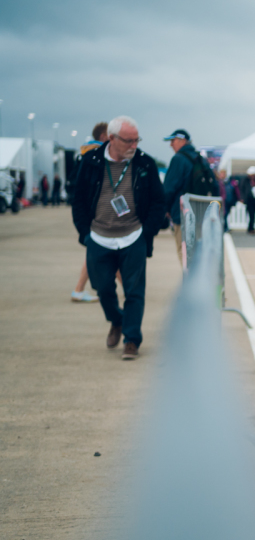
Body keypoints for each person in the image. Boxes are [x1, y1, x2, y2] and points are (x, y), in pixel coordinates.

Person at [71, 115, 165, 360]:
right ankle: (117, 320)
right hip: (99, 237)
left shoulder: (145, 163)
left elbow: (158, 201)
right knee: (103, 288)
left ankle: (132, 339)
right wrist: (85, 234)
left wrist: (147, 233)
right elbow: (78, 199)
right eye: (128, 141)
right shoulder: (91, 161)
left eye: (137, 140)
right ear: (111, 139)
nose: (134, 145)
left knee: (134, 291)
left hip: (133, 236)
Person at [72, 123, 112, 302]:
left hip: (90, 213)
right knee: (108, 251)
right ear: (104, 136)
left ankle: (79, 290)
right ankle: (130, 289)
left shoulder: (85, 154)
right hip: (98, 213)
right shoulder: (98, 155)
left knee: (97, 251)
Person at [161, 129, 211, 260]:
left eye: (173, 141)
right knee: (196, 251)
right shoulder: (200, 158)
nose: (171, 145)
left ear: (181, 141)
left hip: (181, 213)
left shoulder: (178, 159)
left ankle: (190, 279)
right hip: (200, 212)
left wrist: (165, 209)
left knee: (183, 252)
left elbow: (169, 188)